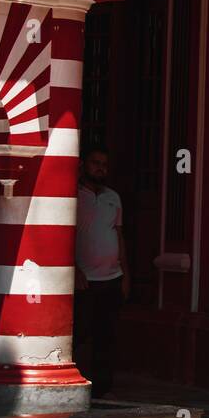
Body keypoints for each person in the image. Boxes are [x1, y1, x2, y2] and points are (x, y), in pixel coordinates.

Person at [74, 146, 128, 400]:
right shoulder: (72, 195)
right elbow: (63, 235)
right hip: (85, 279)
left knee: (106, 336)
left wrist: (126, 274)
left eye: (104, 165)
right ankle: (68, 382)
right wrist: (73, 271)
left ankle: (102, 389)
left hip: (112, 277)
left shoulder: (113, 197)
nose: (100, 168)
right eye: (95, 163)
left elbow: (119, 234)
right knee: (79, 332)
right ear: (84, 164)